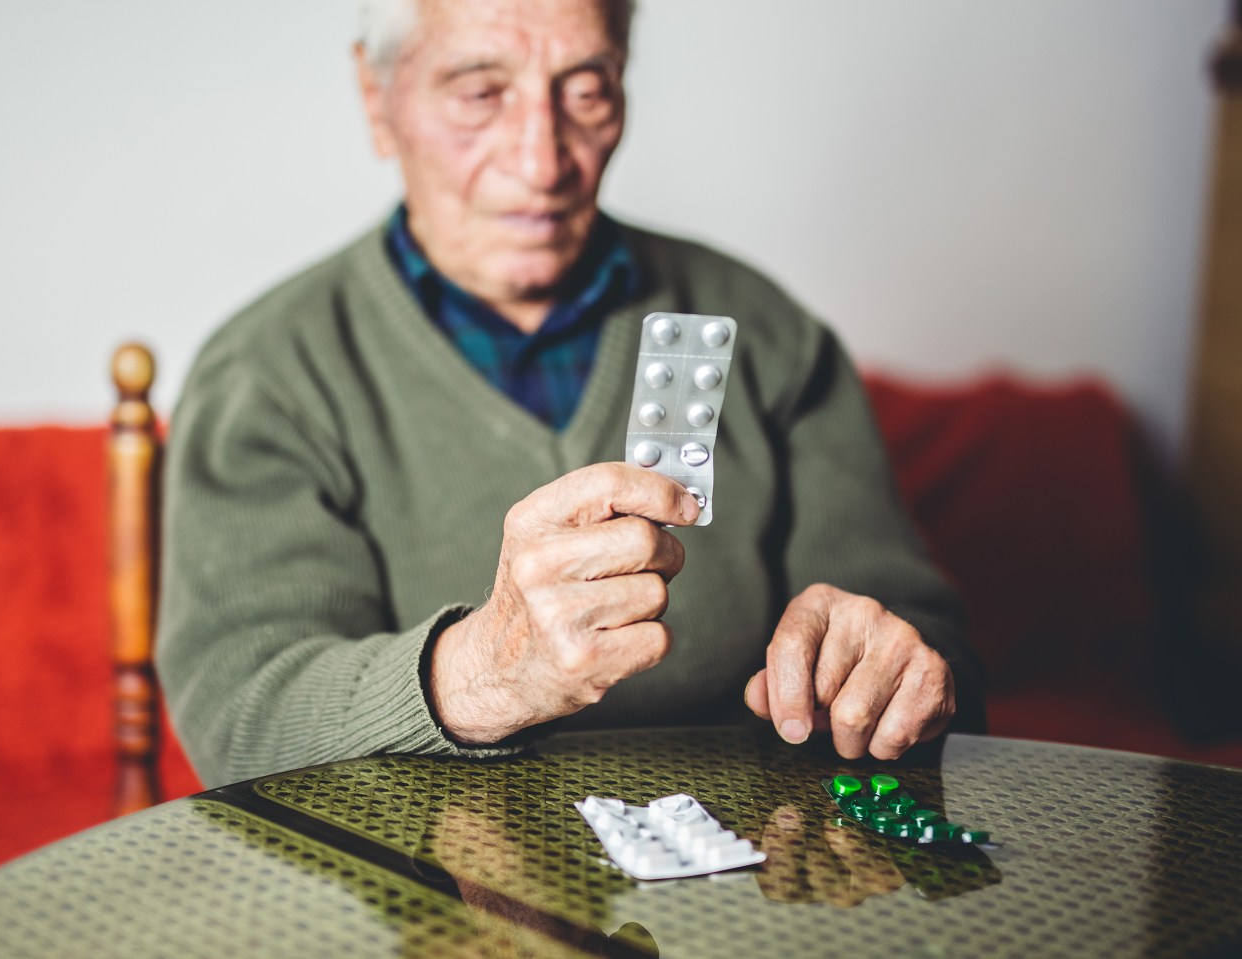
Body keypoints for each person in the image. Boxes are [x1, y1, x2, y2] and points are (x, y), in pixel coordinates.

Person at [157, 0, 983, 788]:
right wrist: (480, 672)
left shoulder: (766, 332)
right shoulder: (267, 373)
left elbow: (938, 657)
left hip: (748, 865)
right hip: (422, 879)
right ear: (379, 100)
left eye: (586, 92)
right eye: (481, 94)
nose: (543, 162)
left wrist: (896, 674)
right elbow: (239, 713)